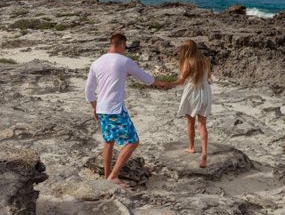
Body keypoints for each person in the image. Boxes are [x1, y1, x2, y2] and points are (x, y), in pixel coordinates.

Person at [85, 33, 166, 187]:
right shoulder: (124, 61)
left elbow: (89, 91)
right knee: (133, 142)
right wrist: (159, 83)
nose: (125, 49)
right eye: (125, 46)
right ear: (122, 44)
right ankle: (113, 176)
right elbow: (145, 78)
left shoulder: (97, 63)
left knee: (109, 141)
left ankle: (108, 175)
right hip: (115, 109)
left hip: (102, 108)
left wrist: (94, 108)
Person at [165, 39, 212, 168]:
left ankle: (191, 147)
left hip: (192, 92)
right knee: (202, 124)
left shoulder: (187, 63)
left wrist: (168, 84)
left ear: (186, 50)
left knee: (190, 122)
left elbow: (181, 81)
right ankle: (204, 152)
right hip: (206, 92)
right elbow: (209, 77)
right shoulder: (205, 60)